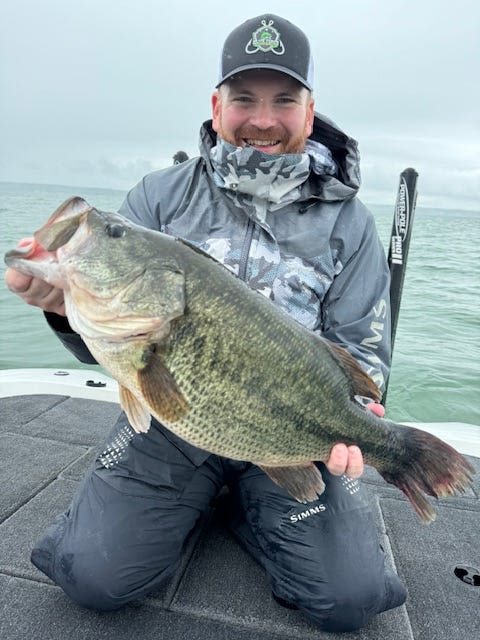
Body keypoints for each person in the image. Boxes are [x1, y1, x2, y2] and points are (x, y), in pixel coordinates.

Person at [5, 14, 407, 633]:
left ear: (309, 108)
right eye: (244, 99)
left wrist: (364, 421)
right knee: (92, 576)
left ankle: (247, 503)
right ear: (217, 106)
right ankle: (196, 495)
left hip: (291, 429)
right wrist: (61, 303)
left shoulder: (352, 226)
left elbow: (359, 350)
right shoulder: (159, 199)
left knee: (351, 600)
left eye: (283, 100)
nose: (263, 119)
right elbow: (115, 342)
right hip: (170, 423)